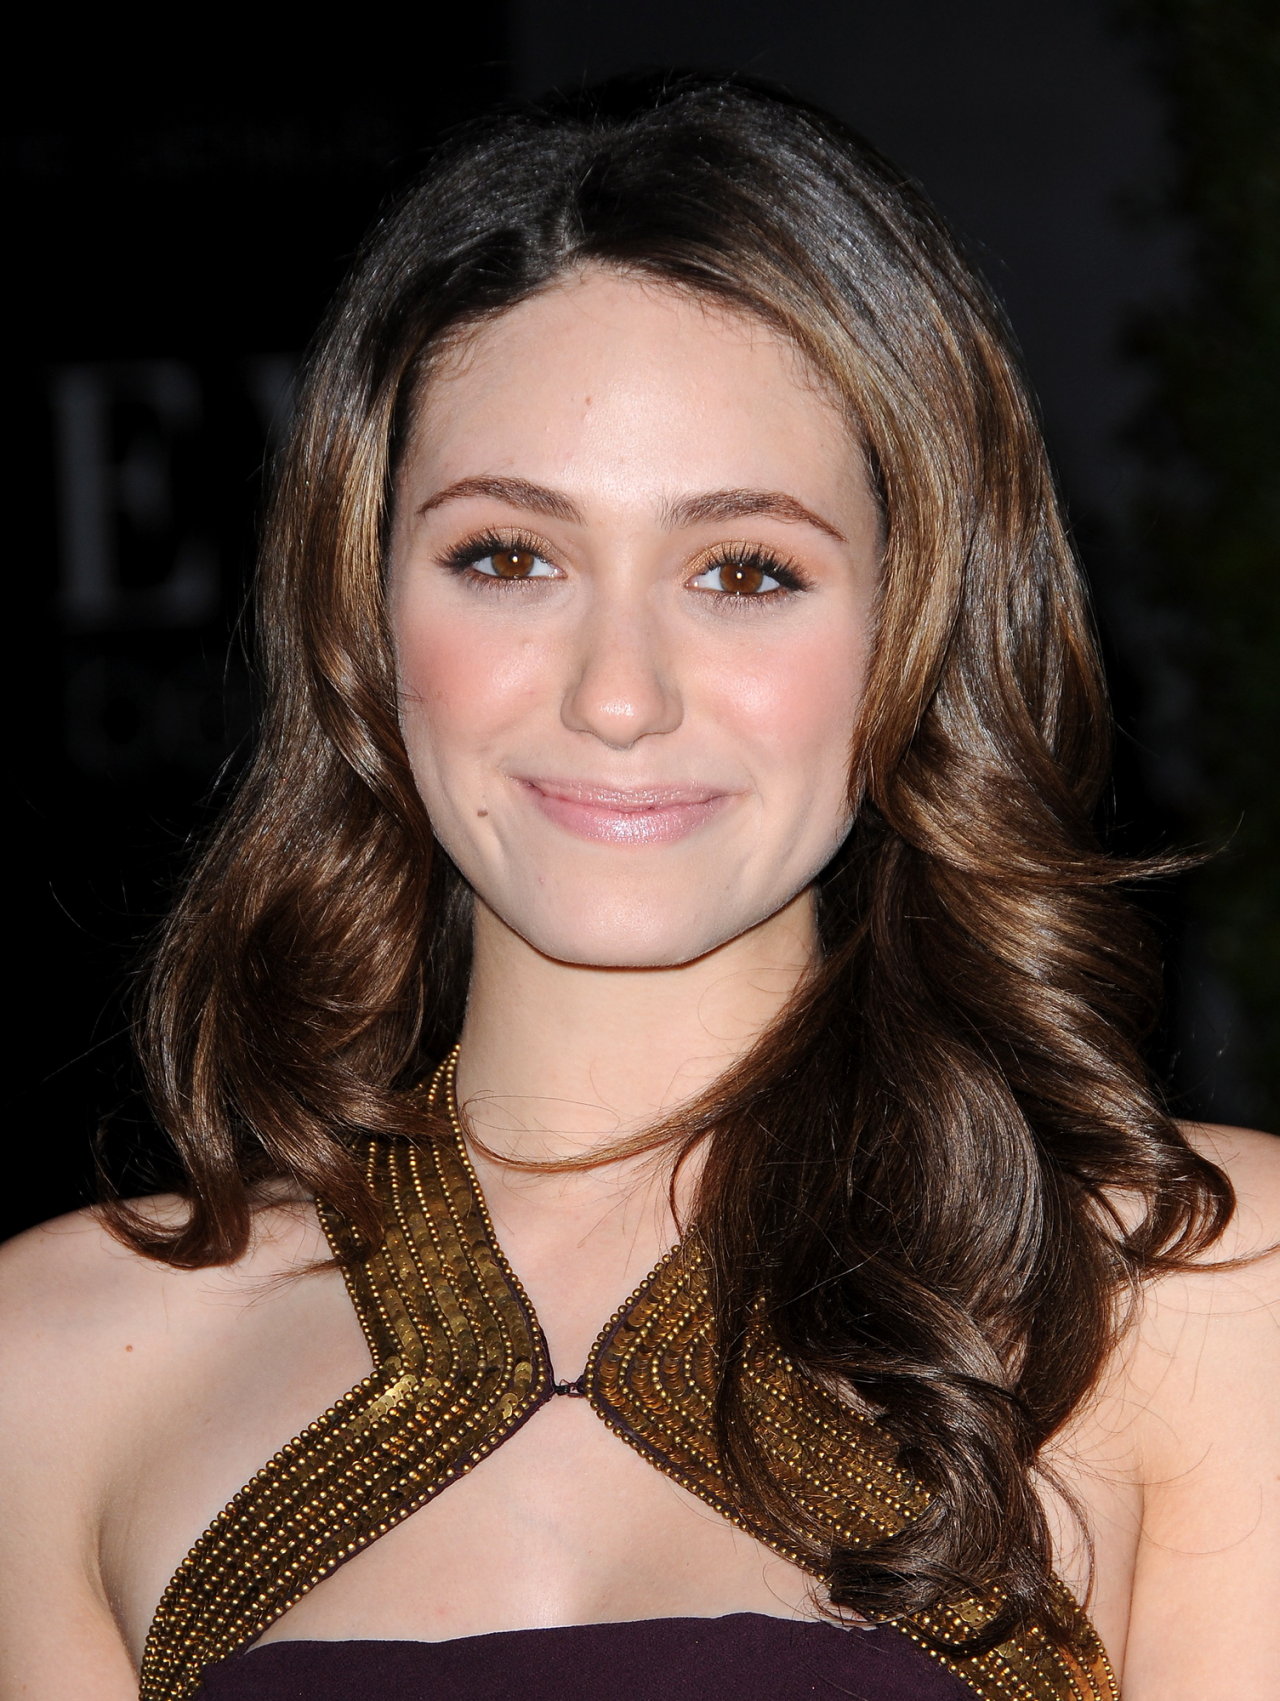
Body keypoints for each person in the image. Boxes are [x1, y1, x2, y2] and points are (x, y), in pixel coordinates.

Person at [1, 75, 1276, 1701]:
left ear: (915, 628)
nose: (618, 694)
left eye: (745, 570)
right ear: (362, 612)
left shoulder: (1203, 1299)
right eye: (507, 556)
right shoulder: (55, 1364)